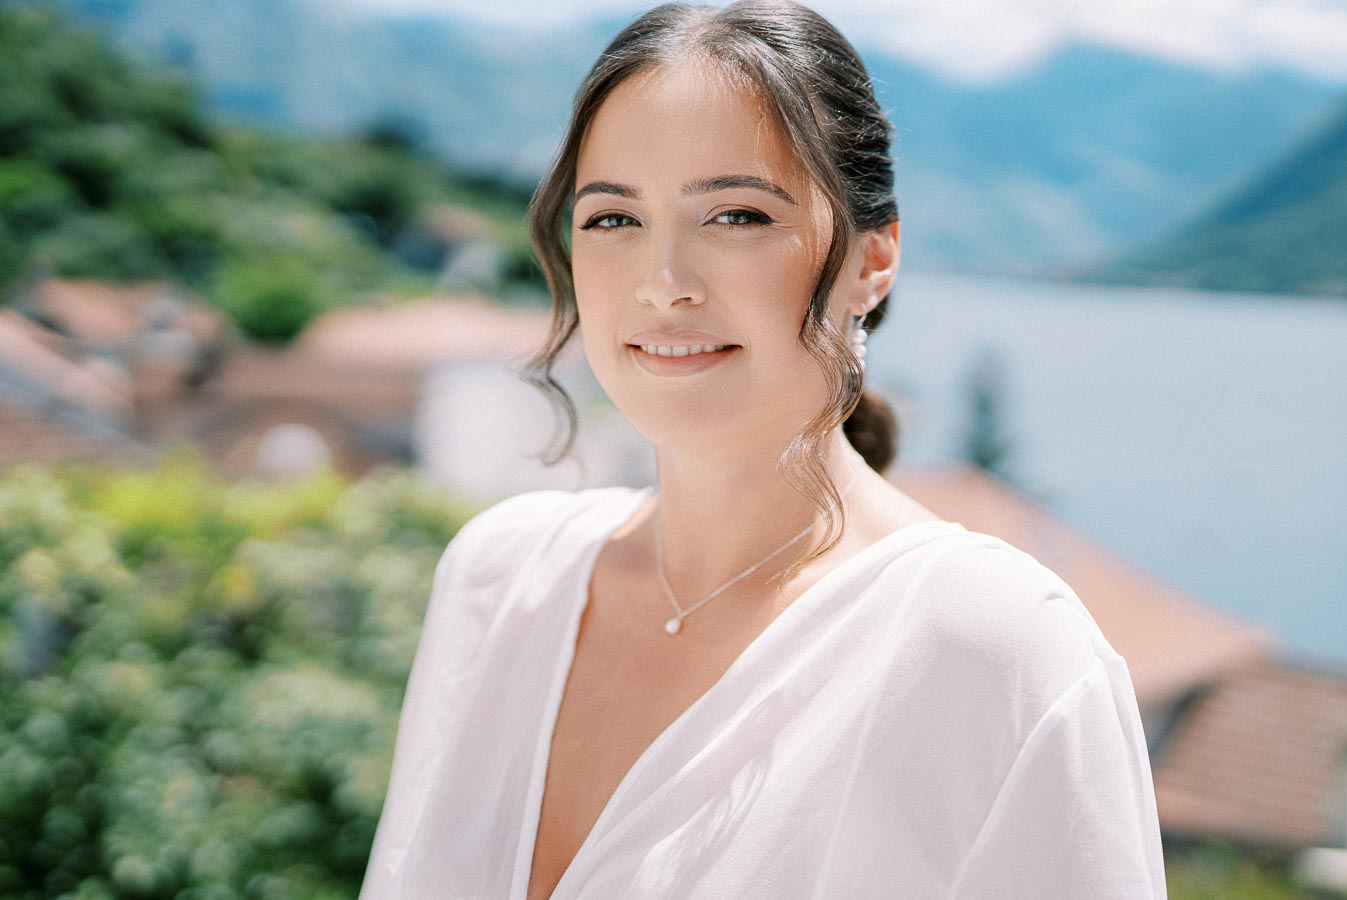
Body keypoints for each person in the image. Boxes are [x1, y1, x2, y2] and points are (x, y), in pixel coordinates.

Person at [360, 1, 1168, 897]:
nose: (664, 285)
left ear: (873, 260)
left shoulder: (992, 646)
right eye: (614, 219)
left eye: (737, 215)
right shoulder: (501, 578)